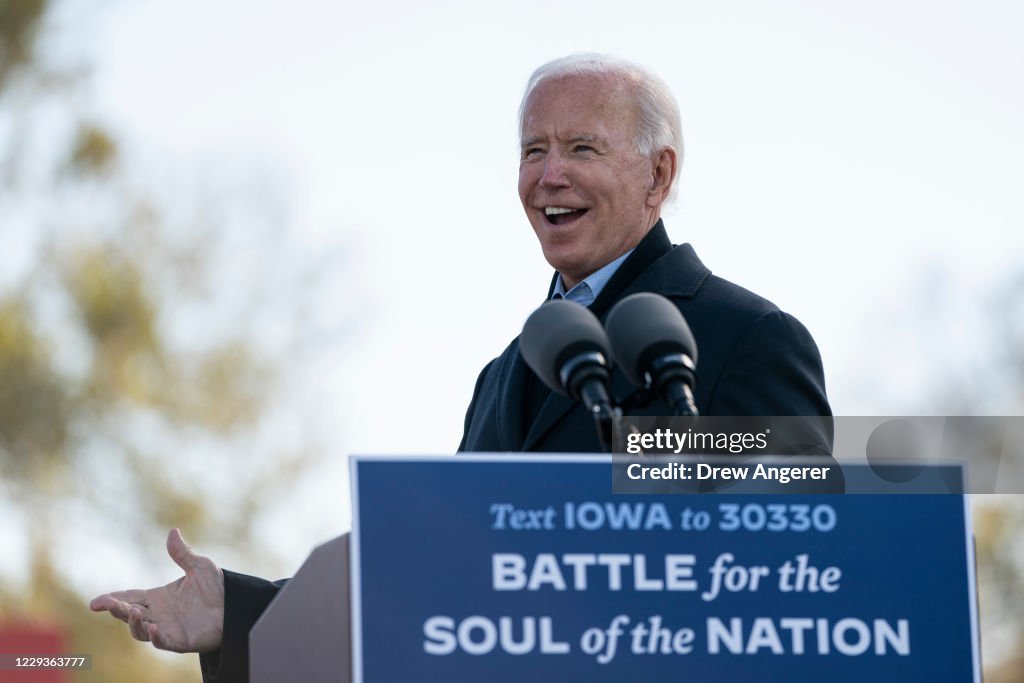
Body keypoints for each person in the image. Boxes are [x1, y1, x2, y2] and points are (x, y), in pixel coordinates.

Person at [90, 53, 830, 682]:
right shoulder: (506, 374)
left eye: (581, 148)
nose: (549, 174)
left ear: (657, 175)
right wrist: (240, 612)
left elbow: (799, 543)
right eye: (532, 149)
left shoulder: (748, 335)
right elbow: (435, 585)